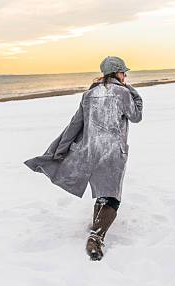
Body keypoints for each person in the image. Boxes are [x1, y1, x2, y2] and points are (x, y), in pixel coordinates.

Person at [25, 56, 143, 261]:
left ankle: (97, 224)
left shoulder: (89, 94)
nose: (126, 76)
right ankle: (96, 237)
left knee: (101, 191)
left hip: (89, 152)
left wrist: (59, 150)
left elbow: (74, 124)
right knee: (112, 196)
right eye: (124, 72)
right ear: (116, 73)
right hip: (112, 152)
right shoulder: (123, 93)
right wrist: (131, 90)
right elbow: (137, 115)